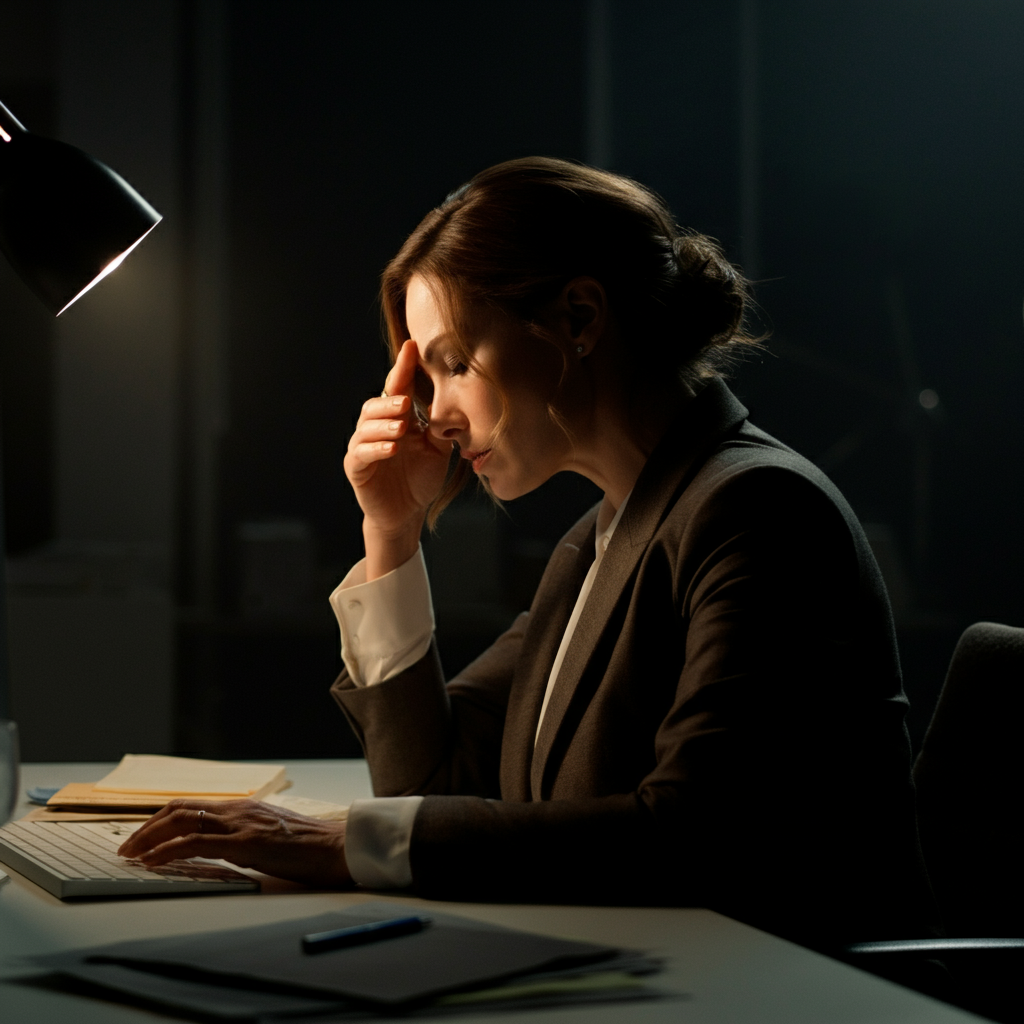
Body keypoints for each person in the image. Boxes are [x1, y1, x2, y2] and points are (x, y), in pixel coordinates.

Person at [121, 157, 935, 948]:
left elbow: (694, 837)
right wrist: (392, 534)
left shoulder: (756, 510)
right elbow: (426, 787)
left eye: (453, 364)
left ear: (579, 319)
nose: (432, 417)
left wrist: (342, 843)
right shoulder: (600, 537)